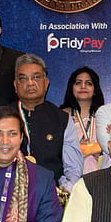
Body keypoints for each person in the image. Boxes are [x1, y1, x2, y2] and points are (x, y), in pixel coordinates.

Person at [13, 53, 80, 189]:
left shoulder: (62, 119)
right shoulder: (2, 117)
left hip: (50, 195)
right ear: (15, 85)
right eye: (23, 79)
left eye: (36, 77)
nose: (30, 83)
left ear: (46, 83)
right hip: (8, 193)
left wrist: (62, 194)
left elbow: (73, 169)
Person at [60, 66, 105, 178]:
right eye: (78, 83)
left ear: (95, 90)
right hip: (69, 172)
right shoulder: (61, 115)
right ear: (71, 88)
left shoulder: (104, 114)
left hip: (100, 173)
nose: (83, 86)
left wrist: (96, 150)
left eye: (89, 83)